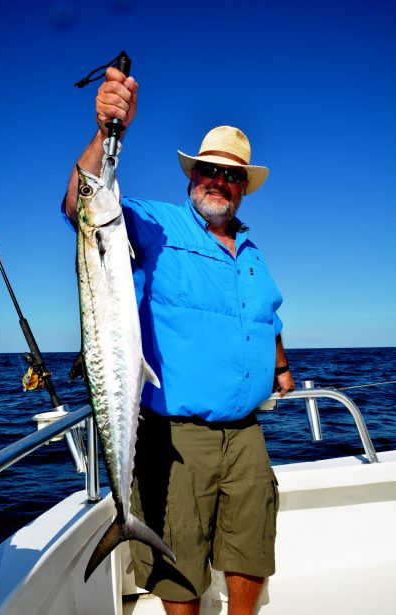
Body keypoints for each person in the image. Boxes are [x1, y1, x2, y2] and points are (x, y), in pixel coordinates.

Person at [64, 67, 295, 615]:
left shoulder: (254, 255)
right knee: (179, 565)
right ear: (193, 177)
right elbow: (81, 206)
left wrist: (281, 366)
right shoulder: (151, 223)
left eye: (231, 175)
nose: (218, 180)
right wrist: (107, 132)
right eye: (208, 171)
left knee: (251, 550)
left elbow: (267, 318)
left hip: (246, 435)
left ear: (243, 188)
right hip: (177, 434)